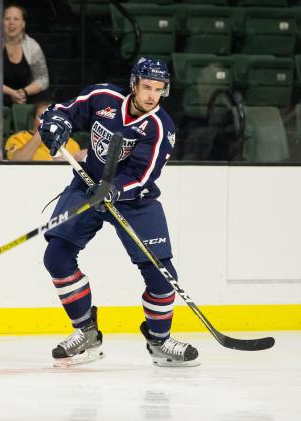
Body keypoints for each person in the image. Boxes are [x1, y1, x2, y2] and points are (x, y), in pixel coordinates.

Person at [37, 57, 200, 368]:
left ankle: (160, 341)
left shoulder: (160, 127)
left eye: (159, 89)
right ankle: (86, 334)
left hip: (135, 200)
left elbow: (142, 175)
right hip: (88, 185)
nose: (152, 95)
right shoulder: (104, 98)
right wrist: (55, 125)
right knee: (56, 257)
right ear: (134, 84)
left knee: (162, 276)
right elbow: (64, 112)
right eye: (148, 87)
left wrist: (114, 190)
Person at [0, 3, 49, 106]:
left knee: (44, 98)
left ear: (23, 24)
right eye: (7, 19)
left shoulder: (33, 46)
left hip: (22, 94)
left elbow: (43, 79)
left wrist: (23, 92)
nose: (11, 23)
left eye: (16, 19)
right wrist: (12, 93)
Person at [5, 101, 85, 161]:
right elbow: (16, 163)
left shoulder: (71, 143)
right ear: (33, 120)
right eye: (41, 117)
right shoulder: (18, 138)